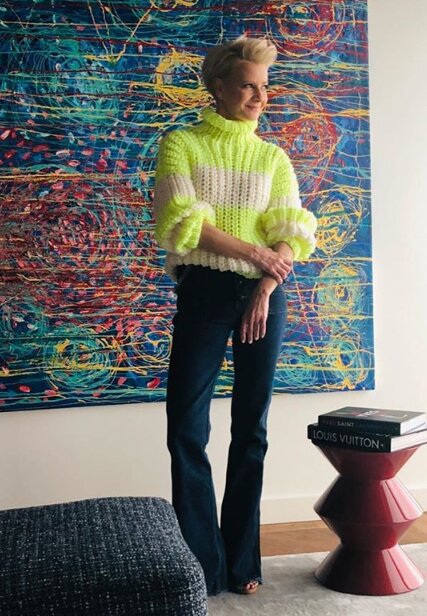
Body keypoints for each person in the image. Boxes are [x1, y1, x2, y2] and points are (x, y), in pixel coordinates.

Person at [152, 35, 317, 596]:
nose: (259, 97)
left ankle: (243, 560)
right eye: (248, 85)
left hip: (264, 294)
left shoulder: (274, 158)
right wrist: (255, 254)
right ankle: (203, 563)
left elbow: (289, 230)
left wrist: (267, 284)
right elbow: (183, 221)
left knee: (252, 426)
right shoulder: (182, 145)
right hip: (204, 289)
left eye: (264, 87)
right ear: (218, 87)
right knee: (186, 426)